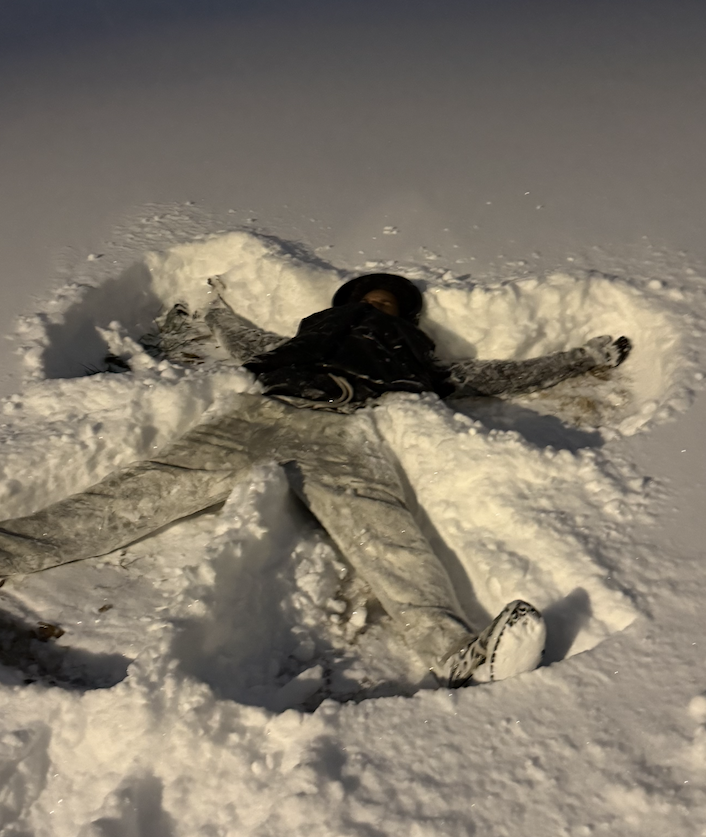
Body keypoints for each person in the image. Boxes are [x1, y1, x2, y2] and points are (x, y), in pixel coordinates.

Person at [0, 273, 631, 687]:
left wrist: (579, 359)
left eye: (386, 301)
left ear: (405, 315)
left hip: (349, 430)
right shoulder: (306, 333)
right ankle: (11, 548)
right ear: (345, 302)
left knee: (387, 533)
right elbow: (249, 340)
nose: (374, 304)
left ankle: (460, 655)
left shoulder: (419, 356)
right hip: (260, 412)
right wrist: (218, 312)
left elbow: (494, 376)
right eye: (367, 297)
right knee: (147, 488)